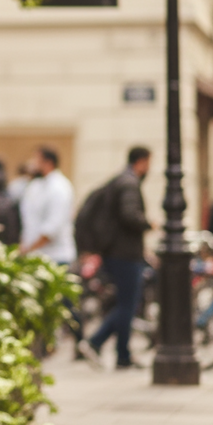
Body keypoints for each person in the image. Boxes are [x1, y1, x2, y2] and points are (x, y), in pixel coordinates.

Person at [79, 145, 152, 369]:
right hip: (125, 254)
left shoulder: (118, 180)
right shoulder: (129, 183)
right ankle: (95, 342)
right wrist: (148, 223)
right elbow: (129, 215)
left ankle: (123, 355)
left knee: (126, 303)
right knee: (127, 304)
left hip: (116, 252)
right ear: (141, 162)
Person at [18, 147, 76, 265]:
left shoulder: (60, 188)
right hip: (35, 255)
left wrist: (30, 248)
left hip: (55, 257)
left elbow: (52, 227)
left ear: (48, 163)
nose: (32, 164)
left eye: (36, 160)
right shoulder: (35, 185)